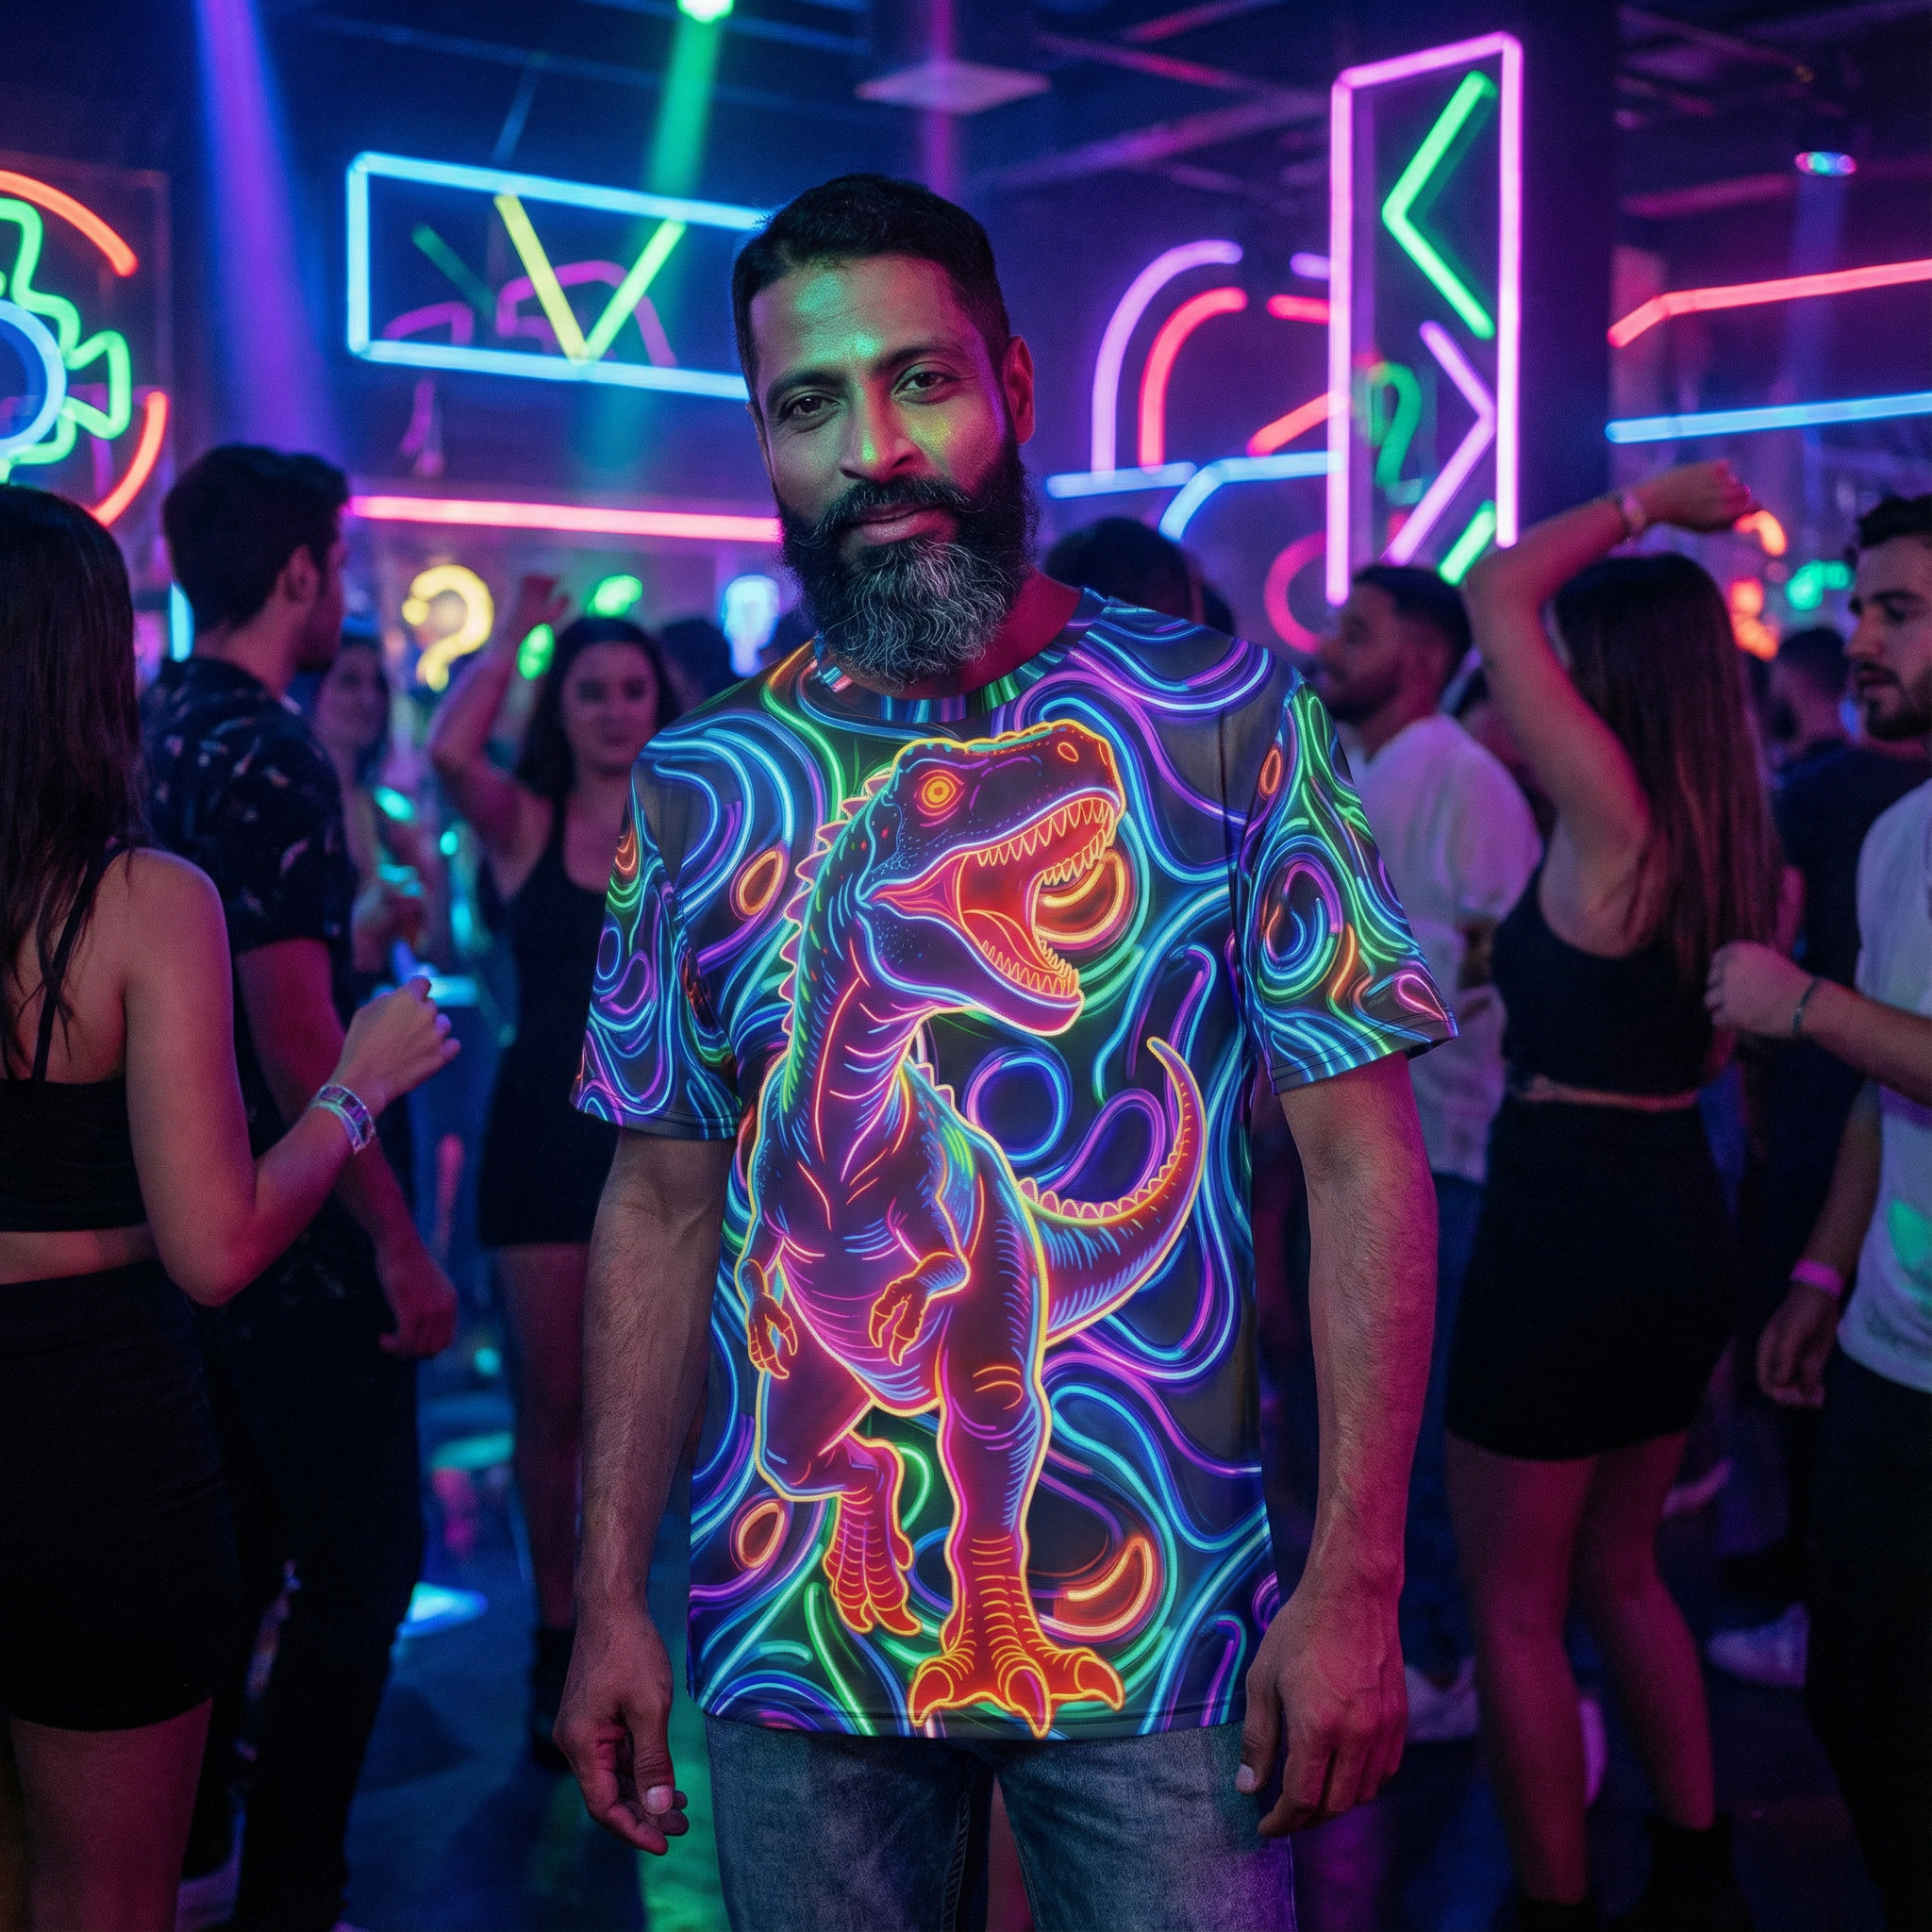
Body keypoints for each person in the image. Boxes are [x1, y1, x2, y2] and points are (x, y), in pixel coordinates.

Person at [554, 173, 1455, 1932]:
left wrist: (1356, 1569)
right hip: (793, 1635)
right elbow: (657, 1200)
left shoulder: (1227, 716)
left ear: (1015, 388)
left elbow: (1361, 1160)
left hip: (1168, 1634)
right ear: (764, 438)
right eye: (808, 403)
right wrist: (606, 1591)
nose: (871, 446)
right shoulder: (696, 783)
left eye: (920, 379)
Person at [0, 484, 456, 1932]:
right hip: (90, 1439)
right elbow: (214, 1246)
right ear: (87, 666)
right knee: (105, 1903)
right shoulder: (139, 901)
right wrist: (358, 1086)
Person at [1445, 462, 1781, 1931]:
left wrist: (1649, 505)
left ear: (1615, 676)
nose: (1544, 684)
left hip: (1566, 1216)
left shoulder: (1614, 818)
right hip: (1672, 1207)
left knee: (1515, 1603)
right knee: (1630, 1569)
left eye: (1573, 667)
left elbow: (1489, 590)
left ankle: (1555, 1906)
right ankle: (1698, 1868)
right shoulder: (1731, 840)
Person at [146, 445, 460, 1932]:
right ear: (297, 577)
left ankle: (198, 1855)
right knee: (362, 1564)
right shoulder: (270, 747)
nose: (343, 593)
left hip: (177, 1220)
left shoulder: (152, 727)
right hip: (292, 1231)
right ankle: (291, 1892)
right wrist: (396, 1245)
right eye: (336, 566)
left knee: (240, 1559)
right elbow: (292, 1036)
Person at [1706, 491, 1932, 1930]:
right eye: (1860, 609)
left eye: (1898, 613)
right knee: (1861, 1694)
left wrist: (1810, 1005)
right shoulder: (1901, 829)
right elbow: (1878, 1091)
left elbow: (1856, 1039)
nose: (1858, 637)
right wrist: (1819, 1273)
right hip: (1889, 1360)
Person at [427, 584, 682, 1764]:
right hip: (541, 1135)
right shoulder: (525, 821)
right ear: (560, 706)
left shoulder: (695, 814)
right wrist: (520, 635)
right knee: (554, 1410)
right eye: (592, 691)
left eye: (633, 688)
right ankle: (554, 1639)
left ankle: (649, 1630)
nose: (616, 709)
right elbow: (444, 749)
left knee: (669, 1409)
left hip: (669, 1137)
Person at [1313, 565, 1541, 1742]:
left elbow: (1505, 958)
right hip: (1343, 1148)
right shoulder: (1344, 769)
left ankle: (1445, 1656)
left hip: (1443, 1147)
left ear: (1418, 656)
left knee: (1424, 1407)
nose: (1327, 646)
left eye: (1355, 631)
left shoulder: (1468, 780)